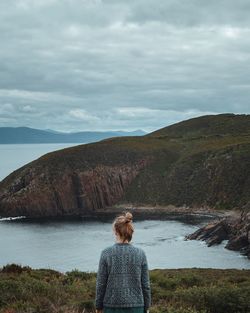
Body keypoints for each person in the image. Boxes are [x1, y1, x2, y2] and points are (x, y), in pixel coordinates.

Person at [95, 211, 151, 313]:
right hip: (137, 307)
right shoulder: (140, 254)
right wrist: (147, 307)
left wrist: (98, 307)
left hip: (111, 307)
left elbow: (101, 284)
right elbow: (145, 285)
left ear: (116, 231)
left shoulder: (106, 253)